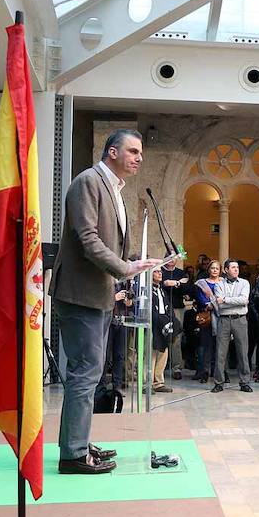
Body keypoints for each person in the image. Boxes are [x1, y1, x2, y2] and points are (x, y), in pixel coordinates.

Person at [48, 129, 160, 474]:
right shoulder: (88, 182)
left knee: (91, 373)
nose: (139, 157)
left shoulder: (113, 188)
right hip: (80, 294)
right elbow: (87, 238)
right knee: (85, 373)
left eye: (140, 152)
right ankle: (73, 455)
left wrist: (131, 267)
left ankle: (77, 443)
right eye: (132, 151)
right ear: (112, 152)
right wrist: (125, 268)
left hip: (98, 295)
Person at [211, 259, 252, 393]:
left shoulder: (245, 283)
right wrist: (235, 301)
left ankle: (244, 382)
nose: (236, 270)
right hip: (223, 319)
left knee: (242, 352)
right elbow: (219, 303)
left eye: (237, 267)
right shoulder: (218, 284)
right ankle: (219, 382)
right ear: (226, 270)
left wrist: (226, 299)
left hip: (240, 319)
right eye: (233, 267)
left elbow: (244, 300)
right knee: (221, 352)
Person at [194, 260, 222, 383]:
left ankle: (220, 371)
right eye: (212, 268)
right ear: (209, 269)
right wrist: (211, 304)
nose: (215, 270)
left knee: (221, 346)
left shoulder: (224, 283)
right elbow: (200, 298)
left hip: (221, 316)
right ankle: (204, 372)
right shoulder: (202, 283)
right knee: (206, 345)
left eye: (217, 268)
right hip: (207, 318)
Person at [150, 269, 173, 393]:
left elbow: (167, 306)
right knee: (151, 354)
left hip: (164, 324)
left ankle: (159, 382)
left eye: (160, 272)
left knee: (163, 353)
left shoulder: (161, 290)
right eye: (156, 272)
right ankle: (146, 383)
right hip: (153, 324)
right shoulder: (147, 290)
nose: (160, 274)